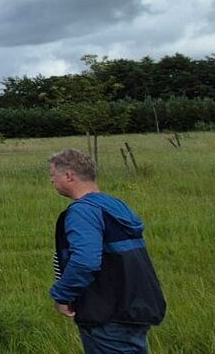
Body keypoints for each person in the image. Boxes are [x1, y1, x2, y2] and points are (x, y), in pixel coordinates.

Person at [48, 149, 166, 353]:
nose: (51, 181)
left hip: (107, 313)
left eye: (53, 175)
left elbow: (85, 261)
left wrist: (62, 295)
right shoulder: (114, 205)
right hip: (134, 305)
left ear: (69, 176)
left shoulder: (83, 212)